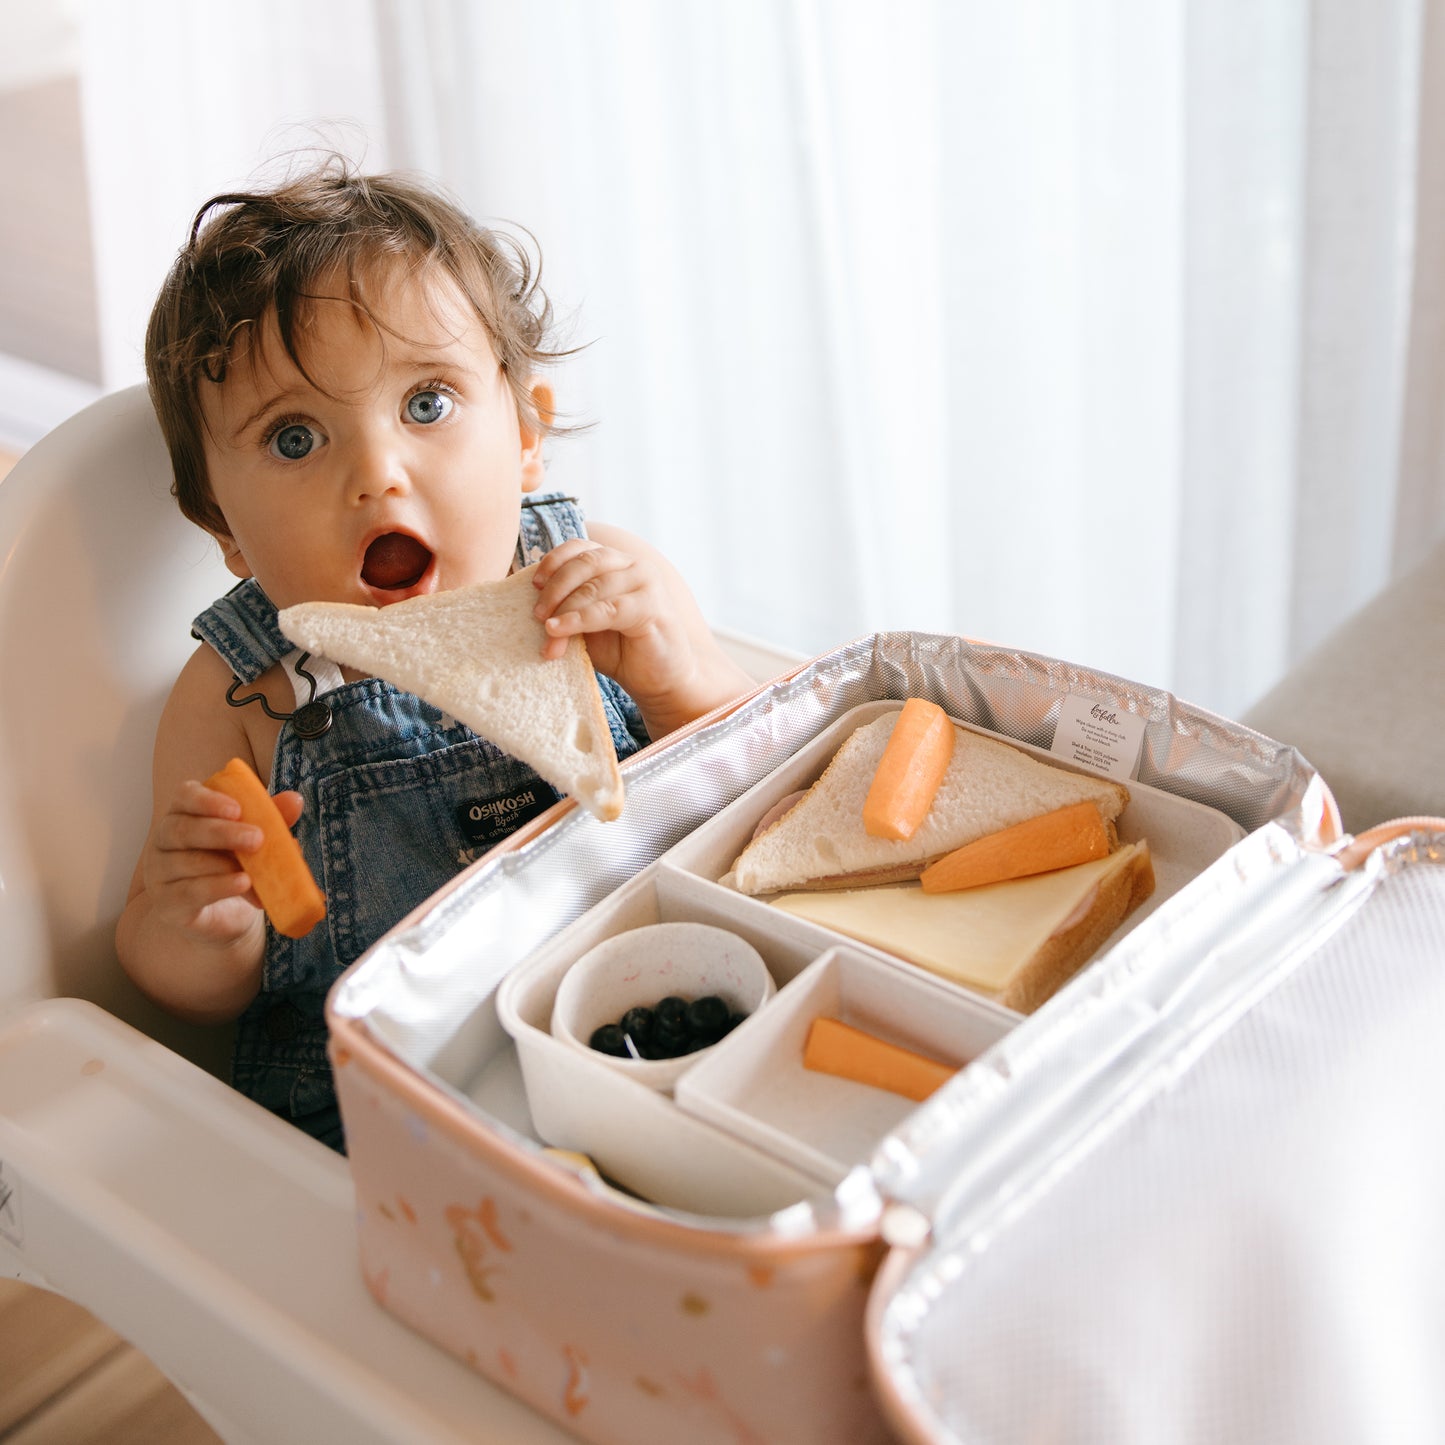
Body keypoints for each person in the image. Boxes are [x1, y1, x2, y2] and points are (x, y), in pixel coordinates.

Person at [116, 158, 754, 1150]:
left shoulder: (602, 583)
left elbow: (759, 790)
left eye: (426, 405)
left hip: (640, 1041)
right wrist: (195, 923)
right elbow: (190, 988)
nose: (378, 474)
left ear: (527, 434)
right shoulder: (238, 694)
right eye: (294, 439)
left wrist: (681, 683)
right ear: (225, 530)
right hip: (380, 1113)